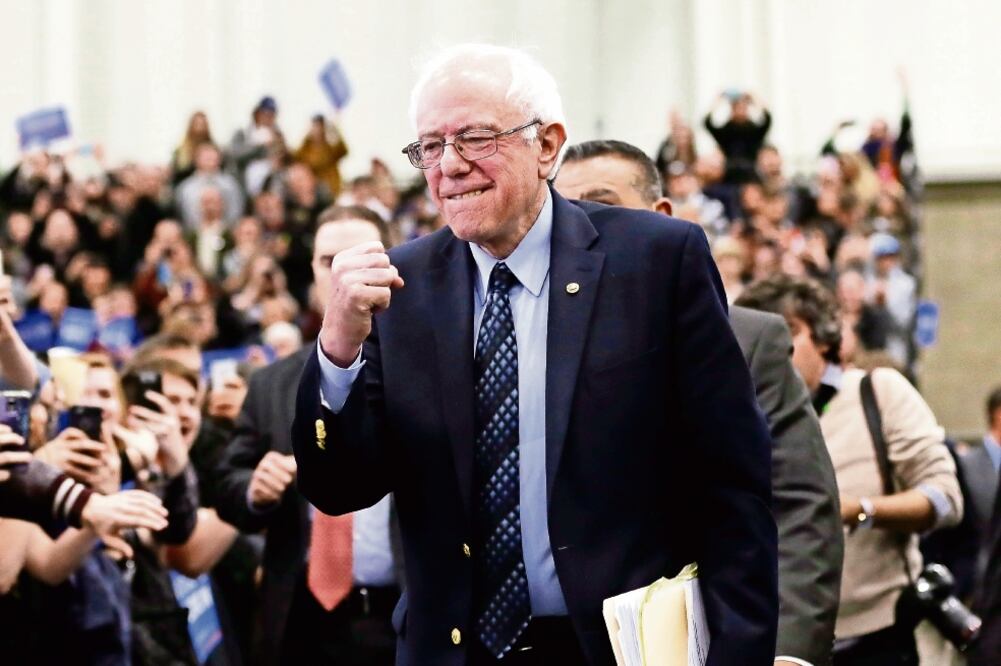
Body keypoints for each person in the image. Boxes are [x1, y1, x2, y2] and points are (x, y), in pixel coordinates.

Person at [293, 44, 777, 665]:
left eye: (473, 137)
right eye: (430, 148)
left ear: (547, 145)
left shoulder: (656, 261)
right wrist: (336, 349)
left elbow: (732, 483)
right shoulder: (401, 288)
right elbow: (338, 487)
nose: (450, 165)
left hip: (617, 650)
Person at [555, 139, 843, 666]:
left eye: (603, 205)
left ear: (662, 216)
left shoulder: (747, 339)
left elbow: (797, 505)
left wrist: (786, 651)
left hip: (704, 637)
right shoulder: (533, 348)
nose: (582, 228)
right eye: (565, 211)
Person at [736, 275, 962, 666]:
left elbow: (945, 500)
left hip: (878, 637)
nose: (775, 346)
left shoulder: (878, 393)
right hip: (778, 641)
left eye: (789, 331)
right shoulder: (741, 414)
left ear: (824, 337)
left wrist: (859, 509)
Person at [217, 204, 402, 666]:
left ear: (390, 262)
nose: (342, 273)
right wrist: (254, 491)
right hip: (298, 621)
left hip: (403, 615)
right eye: (327, 262)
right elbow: (227, 483)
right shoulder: (271, 382)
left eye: (358, 255)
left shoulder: (430, 368)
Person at [704, 90, 772, 184]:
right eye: (737, 107)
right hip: (728, 175)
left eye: (743, 107)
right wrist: (718, 101)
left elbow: (767, 119)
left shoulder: (754, 131)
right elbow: (707, 122)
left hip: (751, 174)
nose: (740, 110)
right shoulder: (726, 132)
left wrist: (755, 98)